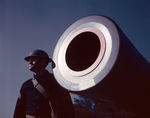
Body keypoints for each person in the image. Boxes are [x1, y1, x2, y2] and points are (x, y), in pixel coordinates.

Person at [14, 49, 75, 118]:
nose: (30, 62)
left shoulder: (56, 81)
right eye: (29, 60)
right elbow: (19, 111)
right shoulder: (26, 85)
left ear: (43, 62)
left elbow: (68, 107)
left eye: (33, 59)